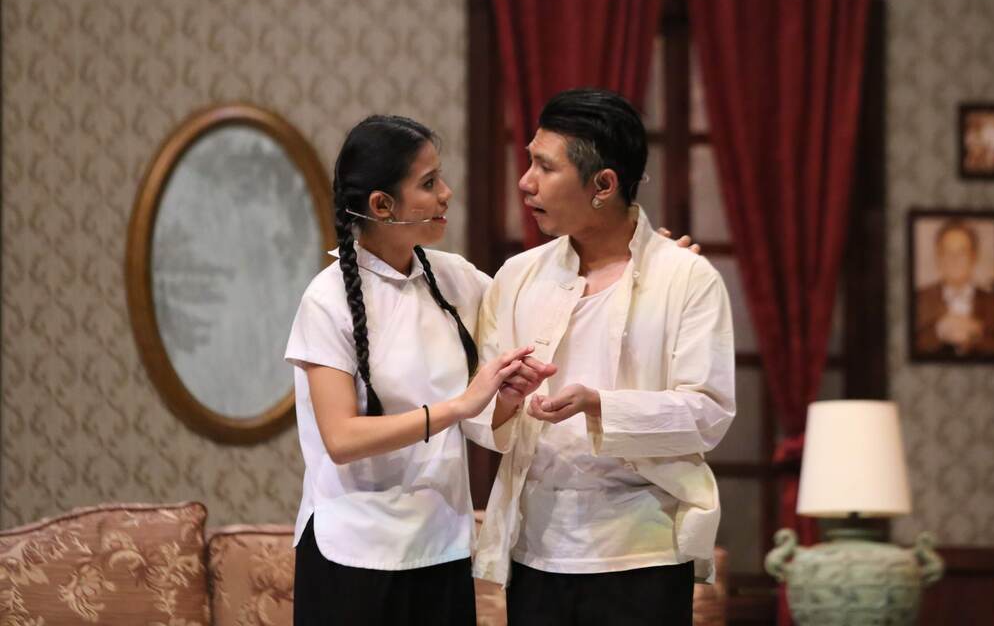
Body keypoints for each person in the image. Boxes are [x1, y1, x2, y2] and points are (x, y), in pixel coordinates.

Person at [471, 89, 737, 625]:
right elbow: (479, 412)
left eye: (545, 167)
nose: (526, 181)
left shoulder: (686, 278)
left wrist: (599, 405)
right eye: (530, 161)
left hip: (643, 552)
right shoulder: (517, 278)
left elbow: (708, 413)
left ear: (604, 185)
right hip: (537, 549)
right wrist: (506, 400)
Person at [284, 114, 555, 626]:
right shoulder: (327, 299)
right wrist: (458, 407)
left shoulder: (454, 278)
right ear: (381, 205)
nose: (446, 193)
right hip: (352, 556)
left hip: (440, 547)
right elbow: (341, 438)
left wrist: (642, 263)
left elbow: (543, 301)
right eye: (429, 183)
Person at [914, 219, 994, 357]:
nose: (954, 259)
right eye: (947, 252)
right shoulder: (918, 299)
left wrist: (976, 334)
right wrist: (939, 332)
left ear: (973, 257)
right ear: (938, 258)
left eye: (962, 252)